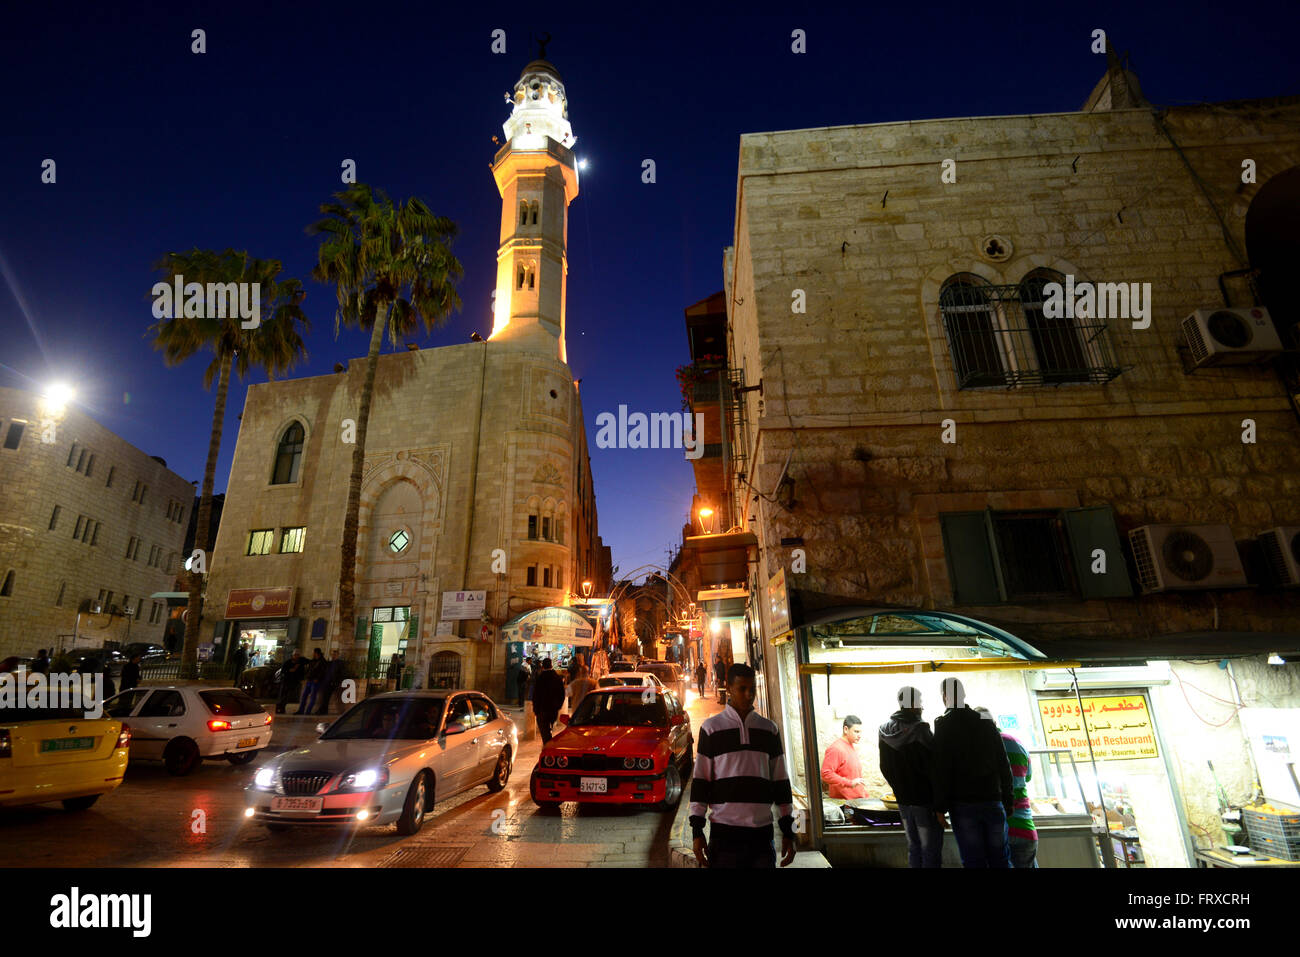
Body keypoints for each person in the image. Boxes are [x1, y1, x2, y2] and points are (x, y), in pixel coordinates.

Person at [689, 663, 797, 869]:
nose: (749, 695)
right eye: (742, 689)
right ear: (728, 688)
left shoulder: (769, 730)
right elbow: (701, 783)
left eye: (752, 689)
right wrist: (697, 831)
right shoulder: (711, 730)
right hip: (724, 839)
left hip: (762, 839)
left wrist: (789, 831)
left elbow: (781, 784)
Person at [932, 678, 1013, 868]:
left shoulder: (944, 725)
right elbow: (1003, 762)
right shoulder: (984, 720)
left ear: (944, 697)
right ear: (964, 694)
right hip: (993, 800)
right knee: (1001, 859)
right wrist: (1008, 799)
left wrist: (939, 807)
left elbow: (941, 769)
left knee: (974, 861)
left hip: (963, 805)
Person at [879, 686, 945, 868]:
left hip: (903, 800)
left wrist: (899, 789)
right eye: (920, 702)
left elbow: (884, 766)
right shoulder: (921, 729)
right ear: (913, 704)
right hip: (924, 801)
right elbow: (933, 768)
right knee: (930, 848)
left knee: (914, 846)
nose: (922, 707)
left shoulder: (884, 729)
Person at [975, 707, 1038, 868]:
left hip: (998, 830)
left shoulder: (980, 748)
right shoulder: (1017, 743)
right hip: (1025, 827)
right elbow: (1028, 777)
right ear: (994, 722)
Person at [821, 715, 870, 800]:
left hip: (858, 801)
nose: (859, 735)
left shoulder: (850, 746)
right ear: (846, 729)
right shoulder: (836, 748)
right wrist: (849, 783)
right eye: (856, 731)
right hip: (846, 804)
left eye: (860, 732)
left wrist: (865, 796)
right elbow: (826, 773)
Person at [532, 658, 566, 744]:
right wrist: (558, 706)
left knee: (545, 732)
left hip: (542, 710)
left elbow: (536, 695)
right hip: (553, 709)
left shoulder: (540, 679)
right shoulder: (557, 678)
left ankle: (548, 749)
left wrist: (536, 710)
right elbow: (562, 694)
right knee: (548, 729)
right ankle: (549, 748)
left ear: (543, 666)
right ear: (551, 665)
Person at [317, 649, 345, 716]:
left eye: (335, 655)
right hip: (326, 682)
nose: (333, 656)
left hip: (333, 683)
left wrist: (338, 682)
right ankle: (323, 710)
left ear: (338, 655)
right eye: (332, 654)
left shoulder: (339, 663)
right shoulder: (329, 663)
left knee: (328, 697)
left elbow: (341, 673)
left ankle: (323, 710)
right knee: (325, 697)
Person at [299, 649, 326, 714]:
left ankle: (308, 711)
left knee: (312, 697)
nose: (313, 654)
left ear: (316, 653)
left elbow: (323, 672)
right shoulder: (313, 661)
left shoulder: (322, 661)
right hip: (309, 680)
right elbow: (309, 670)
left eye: (314, 653)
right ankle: (301, 710)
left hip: (315, 681)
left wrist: (318, 679)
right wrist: (306, 678)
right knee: (304, 696)